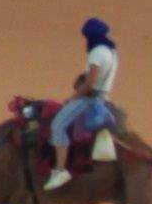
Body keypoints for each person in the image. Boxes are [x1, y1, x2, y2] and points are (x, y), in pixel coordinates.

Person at [41, 15, 122, 193]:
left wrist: (74, 97)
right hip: (103, 98)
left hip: (90, 100)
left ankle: (60, 171)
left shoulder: (97, 53)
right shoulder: (111, 51)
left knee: (58, 125)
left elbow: (91, 83)